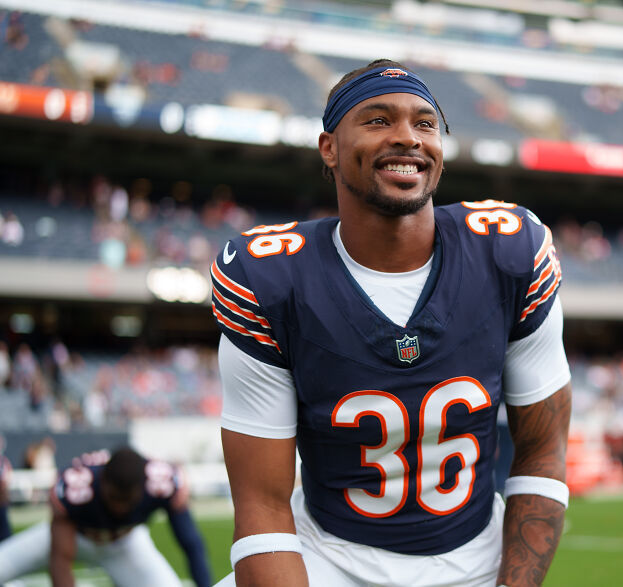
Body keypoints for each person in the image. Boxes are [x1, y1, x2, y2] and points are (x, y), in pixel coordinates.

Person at [211, 58, 572, 586]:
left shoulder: (511, 251)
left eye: (425, 123)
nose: (408, 138)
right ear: (329, 147)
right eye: (378, 120)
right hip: (329, 558)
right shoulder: (269, 277)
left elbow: (543, 451)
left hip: (479, 558)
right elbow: (262, 503)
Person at [0, 447, 212, 587]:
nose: (120, 507)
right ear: (102, 483)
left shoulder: (162, 482)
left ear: (143, 488)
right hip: (77, 535)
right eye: (114, 498)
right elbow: (61, 560)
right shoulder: (77, 486)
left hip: (125, 543)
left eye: (126, 500)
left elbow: (191, 543)